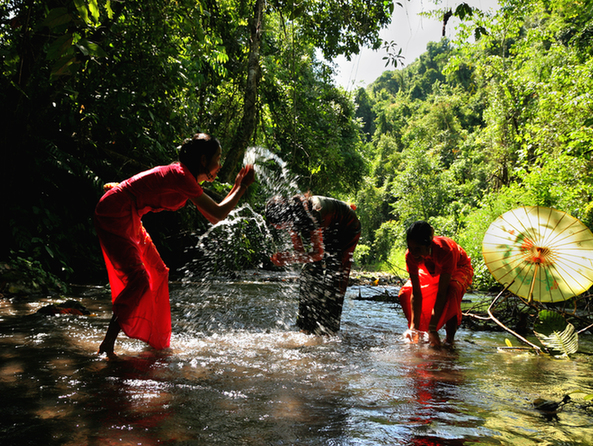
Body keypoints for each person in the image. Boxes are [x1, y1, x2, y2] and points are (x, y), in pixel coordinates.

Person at [94, 133, 255, 357]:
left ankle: (155, 339)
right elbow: (218, 214)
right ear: (203, 160)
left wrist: (238, 186)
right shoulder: (181, 176)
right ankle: (107, 345)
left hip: (129, 214)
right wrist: (242, 187)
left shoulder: (186, 179)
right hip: (116, 212)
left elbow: (212, 215)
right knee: (139, 279)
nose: (219, 165)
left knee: (158, 271)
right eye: (217, 158)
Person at [265, 193, 360, 335]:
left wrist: (289, 258)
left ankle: (329, 330)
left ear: (285, 217)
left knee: (335, 276)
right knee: (308, 271)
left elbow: (317, 254)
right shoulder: (292, 219)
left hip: (347, 228)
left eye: (279, 225)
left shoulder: (311, 214)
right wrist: (288, 257)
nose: (278, 228)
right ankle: (306, 324)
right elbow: (301, 253)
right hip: (329, 227)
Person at [398, 221, 473, 348]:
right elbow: (416, 292)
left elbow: (442, 293)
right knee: (405, 293)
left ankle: (449, 340)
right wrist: (413, 327)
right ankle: (419, 333)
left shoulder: (446, 251)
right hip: (431, 270)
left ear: (428, 246)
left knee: (452, 290)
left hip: (458, 268)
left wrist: (432, 328)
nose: (414, 253)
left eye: (418, 249)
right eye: (411, 248)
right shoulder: (411, 255)